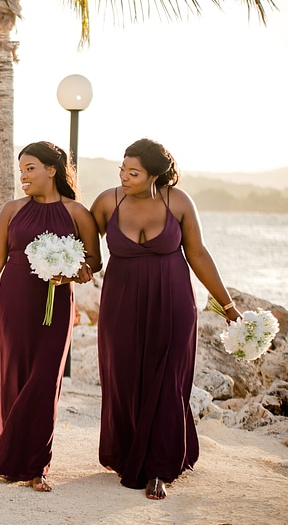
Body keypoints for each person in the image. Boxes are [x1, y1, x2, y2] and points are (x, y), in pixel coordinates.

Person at [90, 138, 240, 500]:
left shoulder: (179, 202)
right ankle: (130, 454)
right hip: (120, 305)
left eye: (134, 172)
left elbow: (199, 255)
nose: (125, 177)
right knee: (124, 378)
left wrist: (227, 305)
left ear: (155, 174)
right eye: (122, 170)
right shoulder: (108, 201)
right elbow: (84, 249)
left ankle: (159, 469)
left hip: (172, 303)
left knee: (167, 382)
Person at [0, 141, 101, 492]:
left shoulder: (77, 212)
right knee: (13, 377)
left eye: (30, 168)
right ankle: (13, 460)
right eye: (21, 170)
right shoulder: (12, 210)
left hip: (55, 305)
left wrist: (71, 272)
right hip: (13, 303)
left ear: (52, 170)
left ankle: (38, 466)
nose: (23, 176)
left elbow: (94, 262)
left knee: (44, 382)